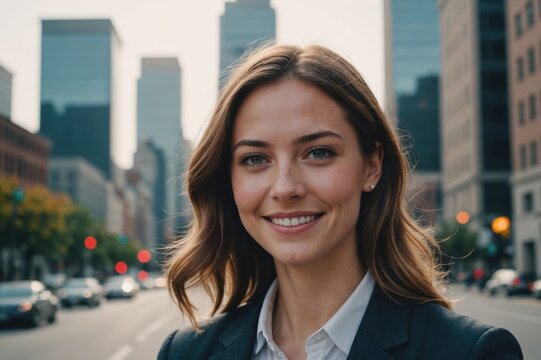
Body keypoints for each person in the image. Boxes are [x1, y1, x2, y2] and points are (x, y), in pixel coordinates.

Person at [158, 44, 522, 359]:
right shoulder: (185, 353)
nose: (285, 188)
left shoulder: (469, 352)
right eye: (255, 159)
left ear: (371, 165)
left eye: (318, 152)